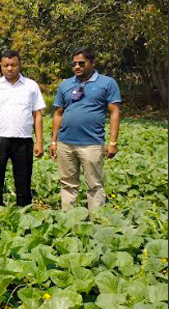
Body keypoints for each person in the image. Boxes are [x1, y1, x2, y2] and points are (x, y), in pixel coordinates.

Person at [50, 47, 121, 210]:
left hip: (92, 143)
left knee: (95, 185)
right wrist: (54, 141)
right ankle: (69, 220)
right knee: (67, 183)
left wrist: (112, 142)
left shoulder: (107, 83)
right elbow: (58, 113)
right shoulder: (66, 84)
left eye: (81, 63)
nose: (77, 67)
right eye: (74, 64)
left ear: (92, 63)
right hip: (65, 143)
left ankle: (97, 221)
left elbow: (114, 112)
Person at [0, 50, 45, 208]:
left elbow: (37, 115)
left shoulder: (31, 86)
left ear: (19, 65)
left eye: (13, 65)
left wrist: (39, 142)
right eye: (6, 65)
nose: (9, 68)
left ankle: (24, 211)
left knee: (23, 179)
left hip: (24, 140)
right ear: (1, 67)